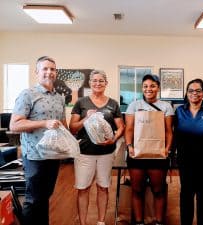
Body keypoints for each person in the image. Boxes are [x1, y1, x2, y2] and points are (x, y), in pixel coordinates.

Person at [9, 56, 68, 225]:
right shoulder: (27, 94)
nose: (49, 72)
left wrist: (70, 143)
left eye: (53, 69)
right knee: (33, 199)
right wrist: (44, 123)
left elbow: (63, 125)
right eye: (45, 69)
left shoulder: (59, 98)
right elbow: (15, 124)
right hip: (35, 156)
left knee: (45, 196)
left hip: (53, 156)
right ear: (37, 72)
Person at [69, 70, 125, 225]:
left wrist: (113, 139)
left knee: (103, 187)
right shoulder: (81, 103)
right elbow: (72, 128)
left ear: (106, 83)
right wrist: (87, 117)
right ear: (90, 83)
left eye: (101, 81)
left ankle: (101, 222)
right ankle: (83, 223)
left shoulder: (113, 103)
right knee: (83, 188)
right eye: (94, 80)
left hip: (106, 153)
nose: (98, 83)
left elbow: (121, 127)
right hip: (84, 153)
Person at [124, 74, 174, 225]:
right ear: (142, 88)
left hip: (158, 155)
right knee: (137, 190)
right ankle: (139, 222)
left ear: (158, 87)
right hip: (136, 154)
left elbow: (168, 131)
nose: (149, 89)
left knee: (158, 191)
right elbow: (129, 129)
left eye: (152, 86)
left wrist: (167, 149)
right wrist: (129, 146)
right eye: (145, 86)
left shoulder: (166, 106)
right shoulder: (133, 105)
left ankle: (159, 222)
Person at [173, 78, 203, 225]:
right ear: (186, 94)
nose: (194, 93)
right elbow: (174, 135)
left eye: (198, 90)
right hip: (185, 160)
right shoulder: (179, 111)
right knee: (186, 195)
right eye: (191, 91)